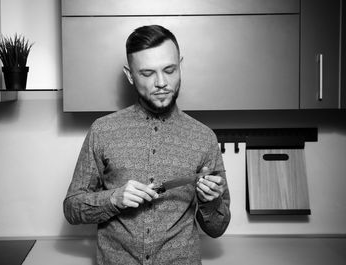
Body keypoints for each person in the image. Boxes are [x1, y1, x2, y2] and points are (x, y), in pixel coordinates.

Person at [64, 25, 230, 265]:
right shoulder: (102, 130)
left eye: (169, 70)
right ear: (130, 75)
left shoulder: (204, 137)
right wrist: (113, 199)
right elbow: (71, 208)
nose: (161, 82)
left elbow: (217, 228)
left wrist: (211, 200)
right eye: (147, 73)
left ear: (180, 66)